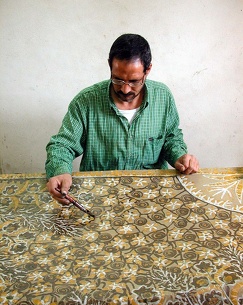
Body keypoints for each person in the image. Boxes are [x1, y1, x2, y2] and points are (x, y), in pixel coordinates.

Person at [45, 33, 199, 204]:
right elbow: (62, 145)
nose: (125, 89)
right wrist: (60, 171)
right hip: (99, 198)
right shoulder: (86, 101)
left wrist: (180, 156)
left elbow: (171, 138)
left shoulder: (163, 97)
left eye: (134, 81)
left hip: (151, 197)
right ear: (110, 66)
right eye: (117, 79)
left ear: (147, 70)